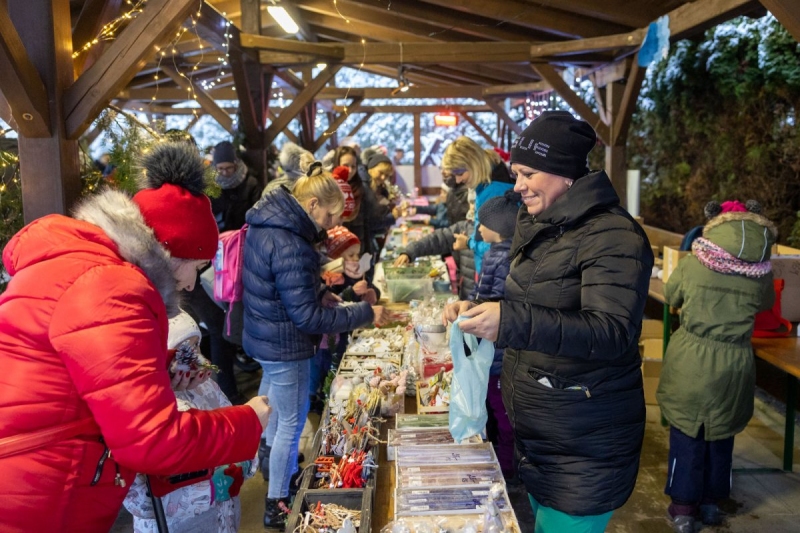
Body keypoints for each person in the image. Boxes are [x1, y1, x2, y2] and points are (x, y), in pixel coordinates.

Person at [0, 142, 271, 533]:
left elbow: (77, 372)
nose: (192, 283)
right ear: (170, 253)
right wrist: (247, 422)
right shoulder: (112, 287)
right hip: (39, 493)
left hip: (33, 480)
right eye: (196, 266)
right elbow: (154, 442)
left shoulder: (83, 267)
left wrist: (157, 374)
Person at [444, 111, 654, 533]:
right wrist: (482, 310)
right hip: (544, 439)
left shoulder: (613, 235)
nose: (517, 185)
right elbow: (539, 304)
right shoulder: (545, 225)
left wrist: (509, 321)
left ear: (564, 173)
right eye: (516, 174)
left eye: (528, 174)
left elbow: (610, 331)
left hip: (585, 447)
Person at [241, 161, 388, 528]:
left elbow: (284, 286)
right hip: (285, 344)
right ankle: (277, 501)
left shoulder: (269, 224)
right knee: (290, 424)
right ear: (311, 204)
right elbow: (307, 318)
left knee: (272, 414)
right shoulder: (292, 242)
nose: (330, 223)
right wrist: (363, 313)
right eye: (330, 215)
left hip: (264, 335)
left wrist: (320, 292)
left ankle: (272, 465)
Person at [656, 200, 776, 532]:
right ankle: (711, 504)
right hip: (735, 362)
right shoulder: (762, 272)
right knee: (722, 435)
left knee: (687, 434)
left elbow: (671, 296)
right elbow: (766, 304)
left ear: (715, 227)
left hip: (692, 359)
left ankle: (683, 508)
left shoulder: (694, 263)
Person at [123, 311, 257, 533]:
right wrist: (214, 487)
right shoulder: (143, 410)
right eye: (183, 352)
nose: (196, 360)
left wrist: (244, 461)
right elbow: (141, 499)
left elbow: (235, 437)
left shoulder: (205, 387)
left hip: (223, 516)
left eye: (196, 346)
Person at [186, 140, 261, 403]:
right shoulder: (207, 192)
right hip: (209, 267)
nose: (226, 173)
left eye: (229, 168)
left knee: (225, 323)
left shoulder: (250, 184)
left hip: (237, 260)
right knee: (218, 328)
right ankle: (226, 390)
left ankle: (225, 385)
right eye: (221, 168)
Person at [394, 137, 513, 297]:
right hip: (479, 280)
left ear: (473, 163)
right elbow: (448, 235)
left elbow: (500, 247)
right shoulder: (483, 190)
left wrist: (469, 243)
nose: (458, 180)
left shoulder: (494, 194)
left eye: (460, 173)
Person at [470, 191, 519, 478]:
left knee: (502, 412)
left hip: (498, 352)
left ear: (498, 228)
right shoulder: (494, 254)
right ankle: (498, 458)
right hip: (490, 350)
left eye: (483, 224)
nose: (478, 229)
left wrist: (473, 311)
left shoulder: (504, 259)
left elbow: (496, 301)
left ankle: (506, 467)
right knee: (492, 407)